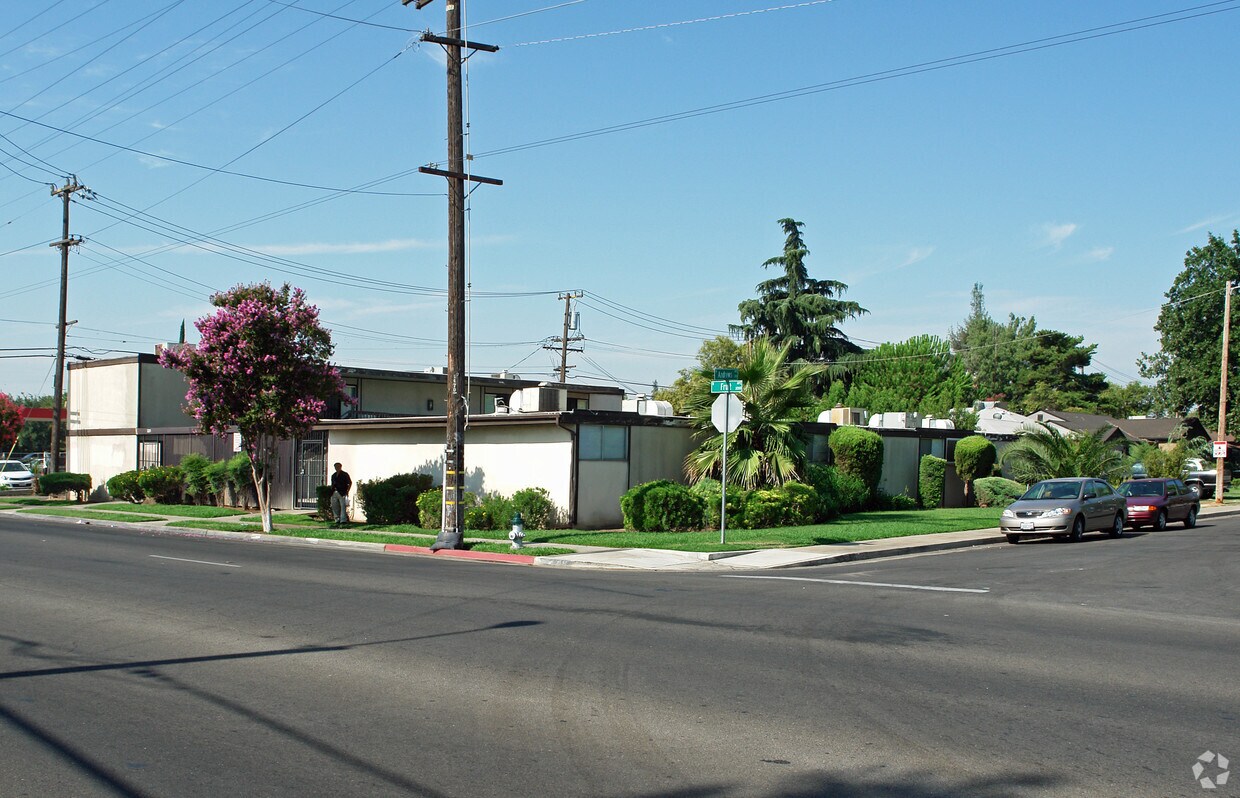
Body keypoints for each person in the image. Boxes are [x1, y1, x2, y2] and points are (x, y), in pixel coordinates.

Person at [329, 462, 352, 527]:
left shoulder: (345, 474)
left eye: (337, 467)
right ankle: (337, 519)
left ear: (340, 467)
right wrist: (331, 491)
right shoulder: (333, 475)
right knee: (334, 506)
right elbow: (332, 484)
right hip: (334, 492)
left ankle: (343, 520)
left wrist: (347, 491)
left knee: (342, 506)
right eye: (335, 467)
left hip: (342, 492)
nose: (336, 468)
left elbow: (349, 483)